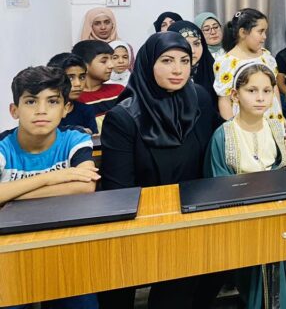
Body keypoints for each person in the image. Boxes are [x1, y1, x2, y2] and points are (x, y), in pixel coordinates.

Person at [98, 32, 221, 309]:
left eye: (184, 61)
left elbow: (211, 156)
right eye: (167, 60)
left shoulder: (200, 98)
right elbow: (118, 190)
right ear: (148, 63)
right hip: (140, 222)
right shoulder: (123, 117)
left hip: (192, 217)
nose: (177, 70)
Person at [205, 62, 286, 308]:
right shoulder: (223, 135)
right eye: (251, 90)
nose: (260, 98)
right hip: (244, 220)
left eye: (267, 91)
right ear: (235, 95)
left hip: (280, 210)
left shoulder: (276, 129)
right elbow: (219, 187)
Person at [2, 66, 100, 309]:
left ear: (66, 108)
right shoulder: (3, 146)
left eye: (53, 101)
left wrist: (9, 195)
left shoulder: (74, 137)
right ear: (14, 110)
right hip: (9, 249)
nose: (41, 110)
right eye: (31, 101)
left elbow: (85, 186)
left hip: (65, 245)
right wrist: (52, 177)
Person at [213, 9, 281, 120]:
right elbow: (224, 100)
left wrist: (280, 116)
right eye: (260, 31)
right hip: (244, 123)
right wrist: (231, 127)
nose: (264, 37)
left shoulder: (266, 56)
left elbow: (274, 88)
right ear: (243, 32)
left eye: (265, 32)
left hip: (271, 118)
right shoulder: (226, 62)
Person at [72, 40, 124, 132]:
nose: (111, 65)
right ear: (84, 65)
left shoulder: (119, 91)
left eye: (112, 59)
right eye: (104, 61)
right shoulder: (74, 98)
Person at [168, 20, 217, 107]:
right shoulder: (164, 74)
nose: (192, 50)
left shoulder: (214, 70)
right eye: (185, 43)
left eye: (196, 44)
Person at [47, 53, 99, 133]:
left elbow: (94, 139)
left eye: (82, 77)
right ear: (53, 79)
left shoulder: (86, 110)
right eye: (70, 78)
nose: (78, 84)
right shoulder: (44, 110)